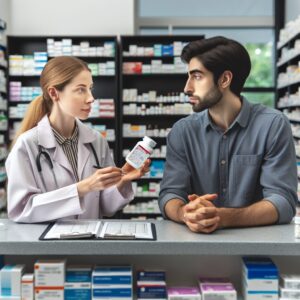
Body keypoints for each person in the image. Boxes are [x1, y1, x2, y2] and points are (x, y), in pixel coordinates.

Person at [158, 36, 297, 233]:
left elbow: (283, 202)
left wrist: (221, 217)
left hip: (259, 246)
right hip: (195, 248)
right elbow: (170, 194)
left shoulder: (272, 125)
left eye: (197, 76)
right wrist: (184, 212)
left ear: (224, 79)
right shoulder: (182, 131)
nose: (187, 88)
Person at [6, 56, 150, 223]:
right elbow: (21, 209)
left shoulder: (96, 140)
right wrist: (84, 187)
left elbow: (106, 207)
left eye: (90, 88)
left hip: (89, 245)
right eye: (81, 89)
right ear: (54, 93)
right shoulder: (27, 145)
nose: (91, 98)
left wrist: (122, 181)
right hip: (47, 246)